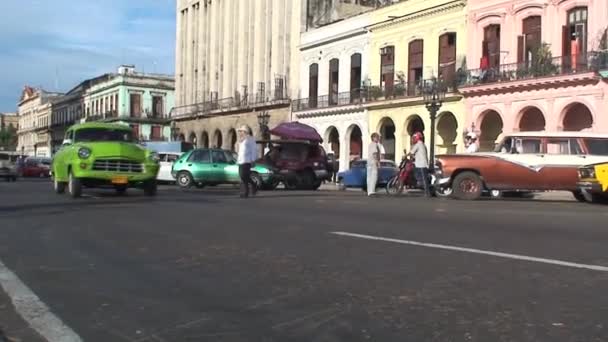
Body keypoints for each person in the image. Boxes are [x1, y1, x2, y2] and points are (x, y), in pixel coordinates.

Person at [236, 125, 258, 198]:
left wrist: (253, 160)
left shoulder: (250, 139)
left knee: (243, 175)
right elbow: (241, 151)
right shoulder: (242, 140)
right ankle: (253, 184)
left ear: (245, 132)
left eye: (241, 131)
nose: (240, 133)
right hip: (241, 160)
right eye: (240, 131)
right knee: (243, 176)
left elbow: (254, 150)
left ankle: (246, 192)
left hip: (247, 160)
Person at [409, 132, 431, 198]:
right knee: (424, 179)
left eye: (414, 138)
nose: (413, 139)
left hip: (421, 164)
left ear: (417, 138)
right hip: (422, 164)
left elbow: (411, 152)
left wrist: (405, 155)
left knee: (423, 179)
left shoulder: (418, 144)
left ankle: (427, 193)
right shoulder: (422, 144)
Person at [366, 132, 385, 197]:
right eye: (377, 137)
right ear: (373, 138)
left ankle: (369, 191)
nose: (378, 138)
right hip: (373, 162)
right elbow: (375, 154)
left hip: (369, 162)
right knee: (374, 177)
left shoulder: (370, 144)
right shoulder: (374, 144)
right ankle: (372, 192)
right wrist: (378, 162)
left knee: (369, 177)